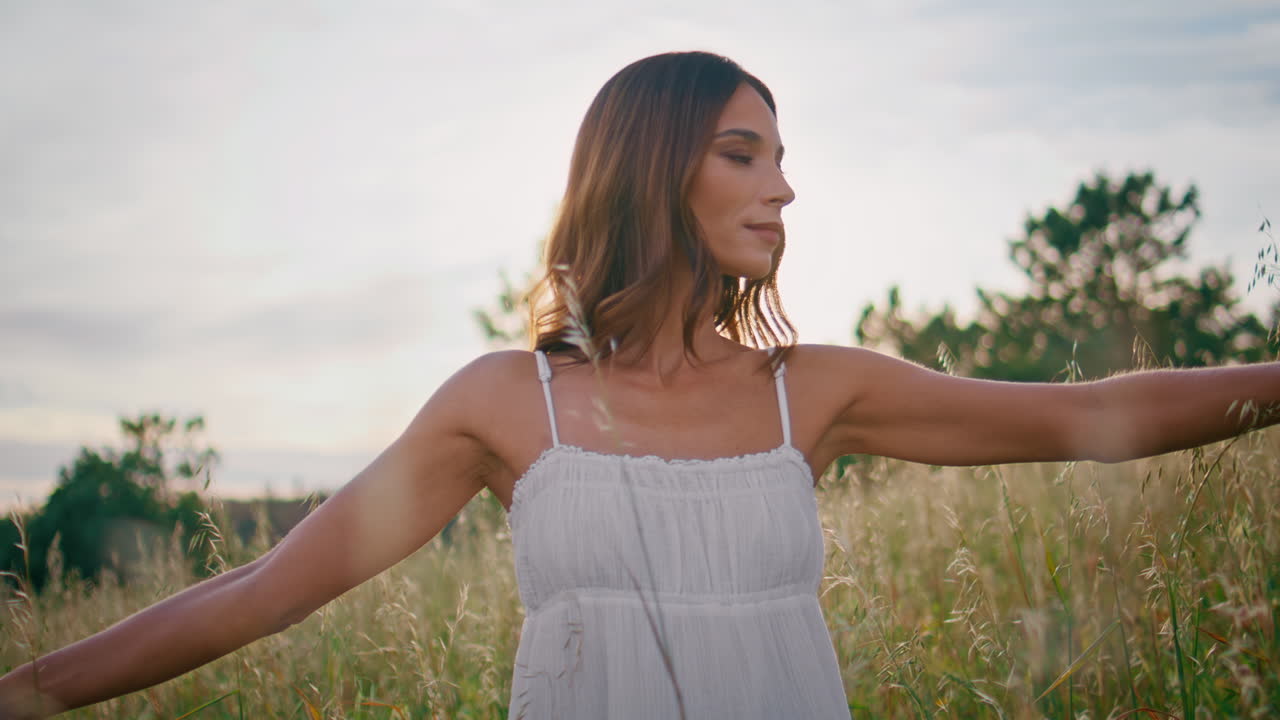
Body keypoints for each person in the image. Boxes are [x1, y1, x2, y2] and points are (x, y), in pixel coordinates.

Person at [1, 50, 1277, 720]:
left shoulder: (813, 391)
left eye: (781, 157)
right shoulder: (503, 403)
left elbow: (1087, 415)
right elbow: (262, 590)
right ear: (652, 167)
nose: (782, 186)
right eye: (743, 153)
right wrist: (30, 689)